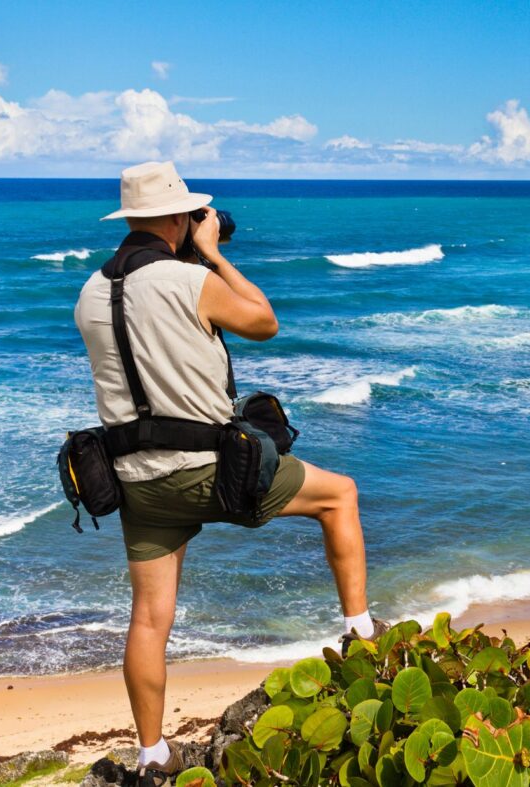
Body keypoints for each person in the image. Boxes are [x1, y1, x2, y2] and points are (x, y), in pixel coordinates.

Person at [74, 161, 387, 784]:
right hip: (211, 473)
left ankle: (152, 754)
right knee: (340, 496)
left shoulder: (89, 290)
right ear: (173, 218)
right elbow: (263, 322)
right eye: (191, 215)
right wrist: (214, 255)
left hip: (137, 482)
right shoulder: (187, 279)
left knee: (149, 618)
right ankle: (362, 635)